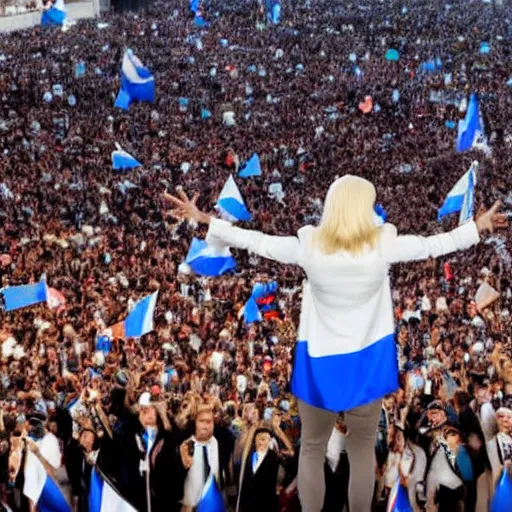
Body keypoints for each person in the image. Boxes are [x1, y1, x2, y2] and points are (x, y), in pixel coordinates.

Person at [164, 176, 507, 511]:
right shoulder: (381, 245)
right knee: (360, 450)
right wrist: (477, 228)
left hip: (320, 362)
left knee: (312, 447)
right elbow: (433, 244)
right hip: (366, 361)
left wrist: (206, 220)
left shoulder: (310, 245)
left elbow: (257, 241)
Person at [237, 423, 281, 512]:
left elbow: (291, 453)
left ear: (269, 441)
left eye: (265, 438)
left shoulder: (274, 458)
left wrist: (277, 428)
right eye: (259, 437)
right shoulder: (249, 456)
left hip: (265, 505)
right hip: (248, 505)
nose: (262, 441)